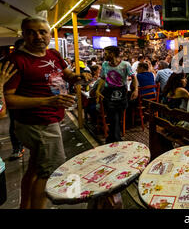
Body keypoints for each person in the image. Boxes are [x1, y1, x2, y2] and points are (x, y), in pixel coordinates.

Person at [4, 18, 91, 209]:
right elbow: (8, 99)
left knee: (36, 167)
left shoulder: (53, 54)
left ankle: (24, 205)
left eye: (42, 32)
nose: (38, 36)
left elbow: (67, 75)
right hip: (39, 123)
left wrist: (79, 76)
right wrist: (48, 101)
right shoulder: (17, 60)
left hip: (49, 119)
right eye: (31, 32)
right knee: (50, 172)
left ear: (50, 34)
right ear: (24, 35)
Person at [96, 45, 138, 143]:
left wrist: (135, 89)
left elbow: (133, 77)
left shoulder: (125, 65)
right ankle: (115, 139)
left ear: (112, 54)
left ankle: (112, 138)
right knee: (112, 116)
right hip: (108, 92)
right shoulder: (105, 65)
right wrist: (98, 90)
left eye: (106, 53)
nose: (104, 55)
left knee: (116, 117)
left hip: (121, 92)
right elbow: (102, 78)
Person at [8, 38, 25, 160]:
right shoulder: (10, 63)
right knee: (14, 123)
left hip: (28, 99)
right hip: (15, 100)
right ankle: (17, 147)